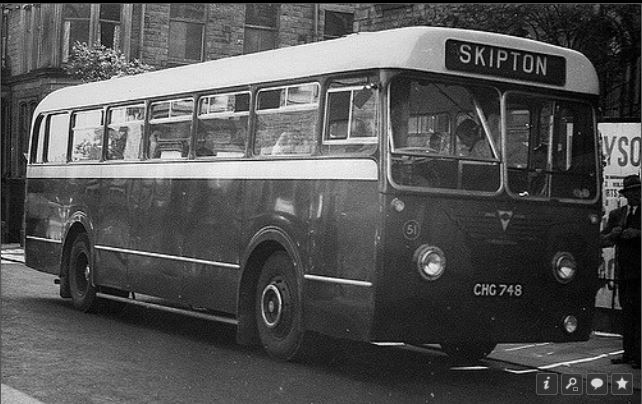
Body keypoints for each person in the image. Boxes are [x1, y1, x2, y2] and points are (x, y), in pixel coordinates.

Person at [601, 174, 641, 369]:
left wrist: (638, 234)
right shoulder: (618, 214)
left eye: (638, 191)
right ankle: (628, 353)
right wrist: (613, 234)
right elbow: (603, 240)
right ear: (625, 195)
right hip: (624, 272)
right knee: (627, 314)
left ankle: (639, 356)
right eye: (631, 192)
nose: (635, 195)